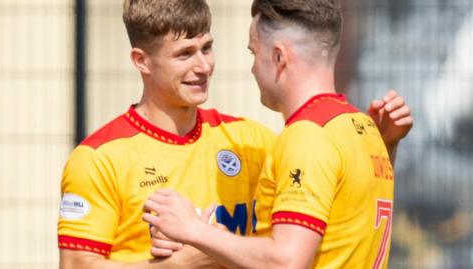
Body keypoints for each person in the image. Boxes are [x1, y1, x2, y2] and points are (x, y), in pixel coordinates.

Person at [58, 0, 411, 268]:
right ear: (142, 61)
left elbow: (321, 221)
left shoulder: (253, 141)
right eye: (184, 54)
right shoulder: (98, 159)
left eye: (207, 48)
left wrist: (203, 238)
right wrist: (182, 263)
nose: (203, 66)